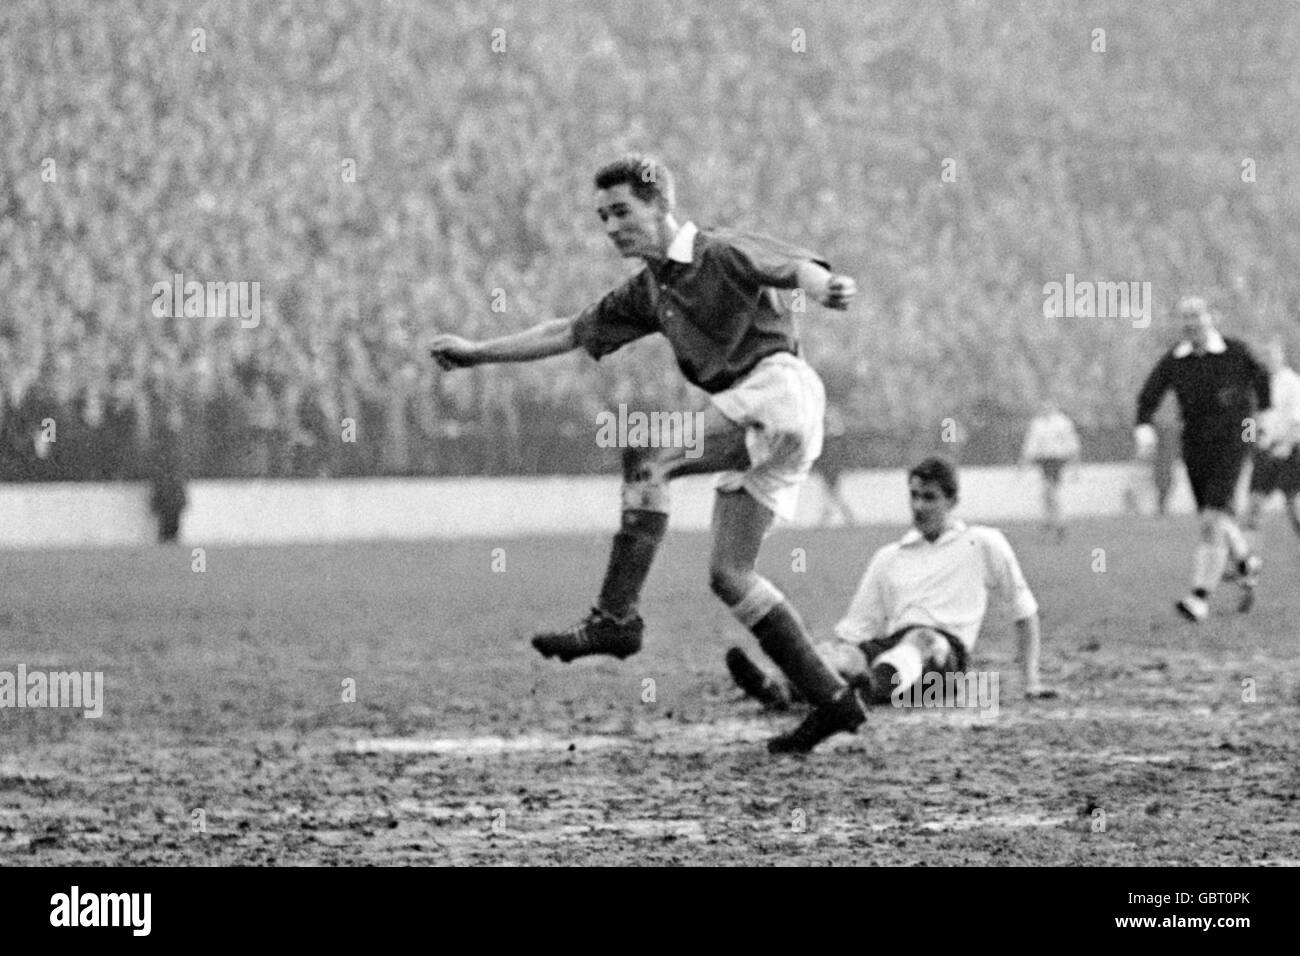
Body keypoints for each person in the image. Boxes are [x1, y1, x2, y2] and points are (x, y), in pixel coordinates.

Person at [429, 154, 865, 753]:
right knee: (729, 575)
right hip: (769, 416)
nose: (610, 227)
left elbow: (795, 268)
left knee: (650, 453)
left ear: (661, 204)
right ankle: (832, 699)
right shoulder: (650, 290)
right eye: (602, 216)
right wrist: (477, 353)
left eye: (622, 211)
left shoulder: (718, 252)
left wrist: (825, 288)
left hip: (778, 391)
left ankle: (615, 619)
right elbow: (567, 332)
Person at [726, 456, 1055, 711]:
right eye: (914, 496)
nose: (919, 506)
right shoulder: (890, 557)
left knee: (923, 639)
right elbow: (855, 631)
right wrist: (841, 657)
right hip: (892, 654)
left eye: (930, 497)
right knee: (841, 654)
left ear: (952, 501)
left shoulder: (983, 543)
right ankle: (779, 689)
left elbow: (1024, 611)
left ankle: (861, 693)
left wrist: (1031, 681)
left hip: (943, 667)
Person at [1134, 297, 1270, 622]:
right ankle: (1246, 560)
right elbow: (1149, 394)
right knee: (1216, 516)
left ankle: (1198, 598)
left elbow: (1262, 378)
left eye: (1197, 315)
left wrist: (1264, 416)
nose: (1191, 322)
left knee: (1211, 519)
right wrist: (1143, 426)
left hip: (1234, 441)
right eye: (1185, 317)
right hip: (1195, 445)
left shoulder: (1235, 352)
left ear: (1211, 317)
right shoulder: (1176, 359)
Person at [1242, 338, 1300, 553]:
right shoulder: (1257, 384)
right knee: (1253, 506)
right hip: (1264, 452)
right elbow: (1249, 418)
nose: (1268, 359)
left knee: (1295, 506)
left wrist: (1285, 445)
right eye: (1265, 355)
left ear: (1281, 355)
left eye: (1272, 354)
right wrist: (1249, 443)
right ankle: (1245, 561)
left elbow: (1297, 421)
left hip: (1290, 452)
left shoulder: (1293, 383)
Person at [1018, 398, 1081, 540]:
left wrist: (1075, 464)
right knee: (1047, 493)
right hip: (1043, 460)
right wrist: (1023, 462)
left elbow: (1072, 442)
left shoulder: (1063, 422)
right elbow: (1031, 444)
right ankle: (1052, 522)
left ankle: (1058, 523)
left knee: (1049, 491)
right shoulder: (1037, 423)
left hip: (1057, 459)